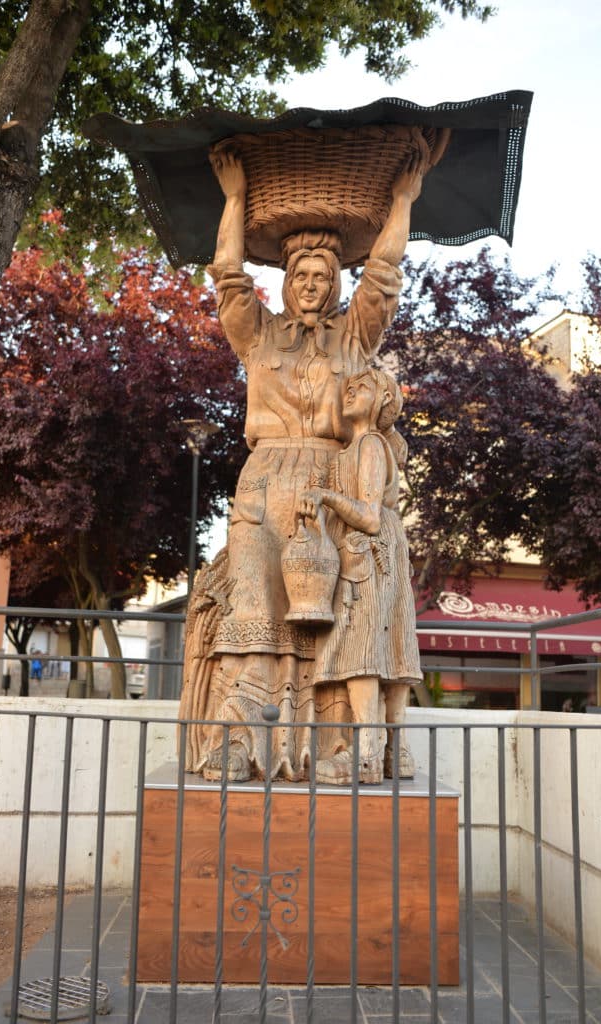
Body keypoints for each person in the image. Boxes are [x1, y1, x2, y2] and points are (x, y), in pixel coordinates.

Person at [191, 146, 429, 783]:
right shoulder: (259, 336)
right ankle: (241, 744)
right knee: (253, 608)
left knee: (334, 627)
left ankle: (330, 747)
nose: (310, 285)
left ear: (334, 285)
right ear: (287, 280)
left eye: (322, 277)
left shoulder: (356, 338)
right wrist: (236, 197)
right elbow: (225, 273)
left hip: (329, 484)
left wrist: (403, 201)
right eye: (300, 276)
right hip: (261, 483)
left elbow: (384, 270)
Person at [299, 369, 422, 783]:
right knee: (383, 647)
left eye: (362, 387)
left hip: (371, 554)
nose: (350, 390)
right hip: (367, 554)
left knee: (364, 650)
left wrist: (325, 497)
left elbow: (368, 517)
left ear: (383, 401)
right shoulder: (350, 452)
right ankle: (394, 752)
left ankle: (367, 756)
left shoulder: (370, 444)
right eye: (347, 387)